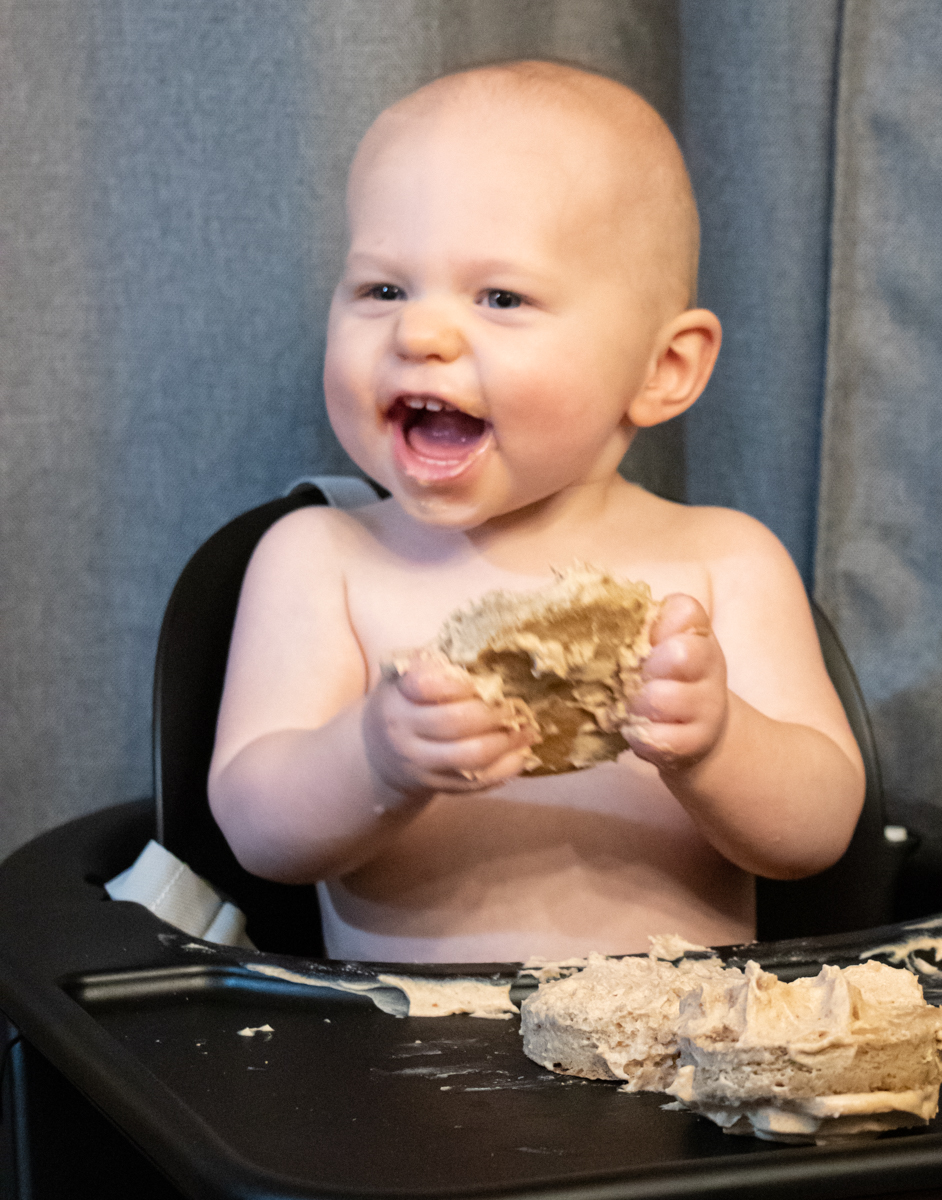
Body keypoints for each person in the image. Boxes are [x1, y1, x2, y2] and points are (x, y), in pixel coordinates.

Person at [208, 60, 865, 964]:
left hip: (686, 1058)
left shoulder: (725, 564)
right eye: (383, 290)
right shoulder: (320, 560)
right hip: (396, 1065)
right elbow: (258, 832)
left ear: (661, 369)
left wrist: (718, 747)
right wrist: (375, 758)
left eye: (501, 298)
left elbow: (819, 834)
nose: (420, 334)